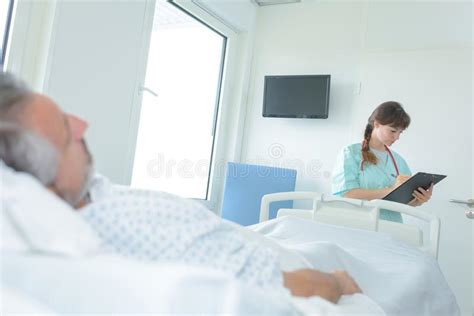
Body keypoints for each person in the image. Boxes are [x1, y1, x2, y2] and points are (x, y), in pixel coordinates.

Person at [0, 72, 361, 303]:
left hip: (262, 239)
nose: (84, 124)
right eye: (68, 130)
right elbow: (282, 288)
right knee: (343, 252)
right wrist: (336, 283)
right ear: (47, 185)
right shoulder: (127, 226)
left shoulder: (90, 195)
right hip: (299, 266)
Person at [331, 101, 433, 222]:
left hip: (391, 227)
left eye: (400, 132)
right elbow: (346, 194)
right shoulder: (350, 153)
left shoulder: (399, 161)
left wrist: (417, 200)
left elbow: (403, 202)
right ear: (377, 124)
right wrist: (390, 191)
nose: (397, 137)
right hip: (358, 224)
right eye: (393, 131)